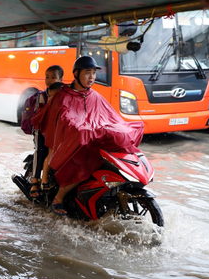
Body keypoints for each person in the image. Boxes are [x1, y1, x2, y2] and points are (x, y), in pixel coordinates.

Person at [33, 56, 144, 216]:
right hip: (74, 144)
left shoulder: (94, 95)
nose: (92, 77)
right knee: (85, 164)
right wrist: (83, 130)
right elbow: (66, 120)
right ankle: (59, 198)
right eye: (87, 73)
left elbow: (109, 116)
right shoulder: (64, 95)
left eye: (93, 73)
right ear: (76, 73)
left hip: (93, 141)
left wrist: (118, 128)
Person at [20, 65, 64, 199]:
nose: (49, 80)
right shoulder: (42, 96)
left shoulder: (64, 95)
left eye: (53, 77)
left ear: (61, 79)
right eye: (47, 77)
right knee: (41, 151)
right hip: (41, 130)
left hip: (57, 132)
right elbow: (39, 117)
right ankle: (35, 182)